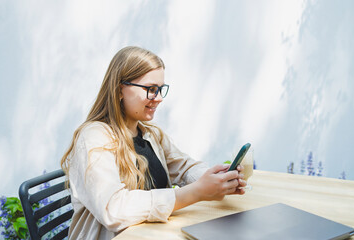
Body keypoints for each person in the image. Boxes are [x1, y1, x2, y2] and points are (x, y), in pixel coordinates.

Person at [61, 46, 247, 239]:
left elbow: (184, 167)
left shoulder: (150, 134)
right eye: (150, 89)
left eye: (160, 89)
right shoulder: (94, 138)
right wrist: (196, 192)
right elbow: (113, 209)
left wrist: (217, 178)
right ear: (119, 90)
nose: (158, 98)